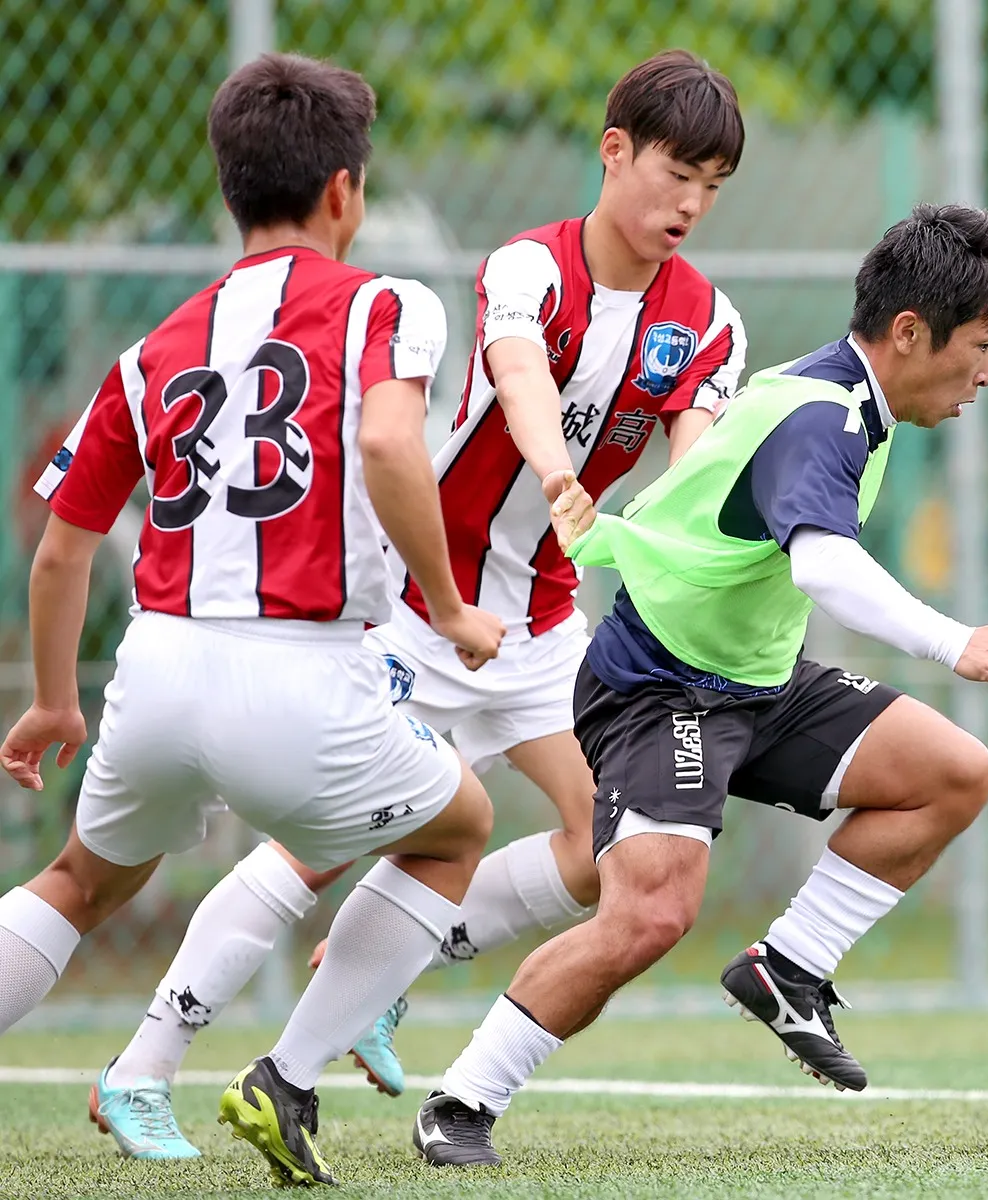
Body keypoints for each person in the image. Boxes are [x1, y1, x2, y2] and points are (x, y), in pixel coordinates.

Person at [410, 203, 988, 1167]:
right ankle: (461, 1100)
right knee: (651, 913)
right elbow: (822, 567)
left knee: (953, 772)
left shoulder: (848, 403)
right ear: (911, 333)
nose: (987, 374)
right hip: (660, 687)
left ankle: (789, 968)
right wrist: (952, 641)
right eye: (982, 346)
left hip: (753, 679)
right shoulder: (822, 415)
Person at [206, 47, 748, 1181]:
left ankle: (371, 995)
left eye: (713, 181)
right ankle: (152, 1056)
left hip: (544, 626)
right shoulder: (527, 267)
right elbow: (519, 379)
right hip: (422, 607)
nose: (691, 202)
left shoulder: (710, 322)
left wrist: (674, 536)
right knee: (326, 842)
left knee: (614, 843)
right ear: (615, 151)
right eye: (675, 172)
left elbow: (693, 467)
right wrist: (560, 480)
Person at [0, 52, 506, 1184]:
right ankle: (287, 1077)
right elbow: (385, 444)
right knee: (455, 828)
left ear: (231, 190)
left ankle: (149, 1066)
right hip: (302, 670)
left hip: (159, 669)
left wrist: (48, 702)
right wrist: (452, 605)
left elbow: (61, 549)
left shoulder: (154, 348)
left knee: (79, 884)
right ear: (345, 191)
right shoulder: (386, 301)